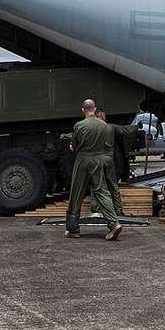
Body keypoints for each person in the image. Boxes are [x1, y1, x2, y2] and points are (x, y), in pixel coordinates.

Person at [64, 98, 122, 241]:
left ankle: (73, 229)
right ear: (95, 109)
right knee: (102, 191)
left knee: (76, 193)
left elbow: (75, 146)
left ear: (83, 110)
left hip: (83, 160)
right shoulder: (103, 126)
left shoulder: (79, 125)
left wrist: (74, 147)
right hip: (98, 160)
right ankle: (114, 223)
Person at [94, 107, 135, 218]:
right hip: (109, 161)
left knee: (96, 185)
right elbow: (125, 130)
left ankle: (96, 210)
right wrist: (136, 127)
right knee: (113, 186)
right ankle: (117, 209)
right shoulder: (110, 127)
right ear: (104, 116)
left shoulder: (92, 129)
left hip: (97, 161)